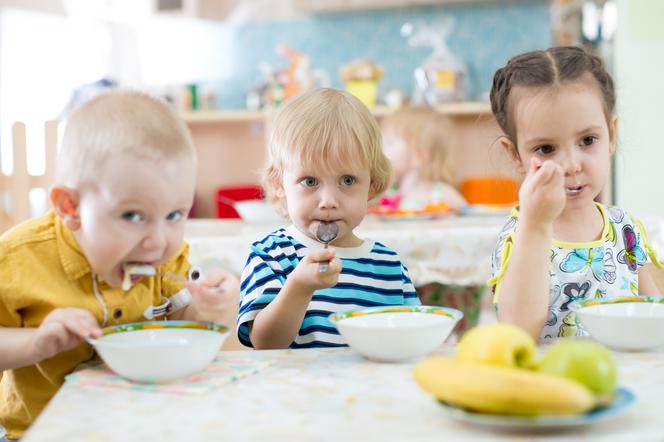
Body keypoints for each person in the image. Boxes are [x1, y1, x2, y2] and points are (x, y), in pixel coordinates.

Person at [0, 91, 239, 440]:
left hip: (144, 423)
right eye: (133, 215)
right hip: (41, 430)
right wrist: (36, 343)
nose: (157, 241)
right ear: (71, 207)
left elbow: (179, 331)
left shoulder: (168, 256)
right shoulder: (18, 260)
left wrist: (207, 310)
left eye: (175, 214)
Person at [487, 46, 661, 342]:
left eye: (587, 140)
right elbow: (516, 334)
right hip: (553, 384)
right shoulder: (521, 235)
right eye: (546, 148)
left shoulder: (624, 227)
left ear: (611, 136)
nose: (571, 165)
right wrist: (537, 225)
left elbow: (653, 314)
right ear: (515, 155)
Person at [237, 88, 421, 349]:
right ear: (279, 183)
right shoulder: (270, 255)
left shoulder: (388, 265)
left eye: (347, 180)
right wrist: (299, 288)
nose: (328, 201)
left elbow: (409, 340)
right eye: (310, 181)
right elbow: (264, 344)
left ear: (372, 184)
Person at [380, 106, 466, 210]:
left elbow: (467, 216)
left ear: (419, 155)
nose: (379, 148)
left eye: (389, 142)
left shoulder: (440, 194)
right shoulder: (390, 194)